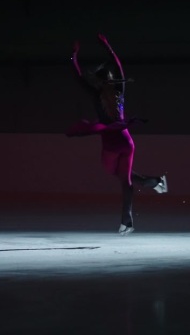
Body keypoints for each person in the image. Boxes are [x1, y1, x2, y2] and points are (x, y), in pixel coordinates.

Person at [67, 34, 168, 235]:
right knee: (125, 180)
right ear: (112, 79)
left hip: (111, 144)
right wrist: (107, 46)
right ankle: (150, 190)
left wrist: (74, 56)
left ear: (98, 81)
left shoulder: (96, 95)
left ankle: (153, 186)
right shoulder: (119, 91)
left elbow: (78, 78)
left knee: (117, 174)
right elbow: (118, 65)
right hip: (126, 140)